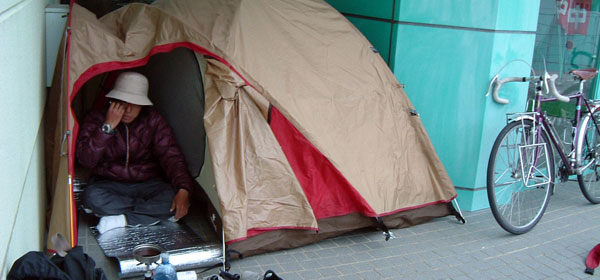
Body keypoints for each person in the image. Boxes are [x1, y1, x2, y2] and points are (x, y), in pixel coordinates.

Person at [77, 72, 195, 234]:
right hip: (109, 183)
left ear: (143, 105)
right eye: (122, 102)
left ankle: (122, 219)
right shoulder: (97, 118)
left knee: (172, 198)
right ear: (113, 101)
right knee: (91, 197)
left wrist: (184, 189)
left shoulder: (153, 120)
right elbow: (85, 160)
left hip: (148, 183)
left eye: (134, 103)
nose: (128, 109)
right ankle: (150, 215)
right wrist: (107, 128)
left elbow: (171, 156)